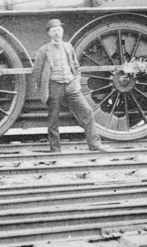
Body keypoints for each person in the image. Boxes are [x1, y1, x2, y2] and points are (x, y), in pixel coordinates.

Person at [31, 18, 111, 153]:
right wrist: (44, 88)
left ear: (62, 31)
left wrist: (77, 81)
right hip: (54, 86)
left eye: (59, 30)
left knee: (87, 111)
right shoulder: (44, 50)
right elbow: (37, 72)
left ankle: (95, 145)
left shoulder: (68, 47)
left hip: (71, 86)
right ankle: (55, 150)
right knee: (53, 119)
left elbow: (76, 67)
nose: (57, 33)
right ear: (49, 33)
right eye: (54, 31)